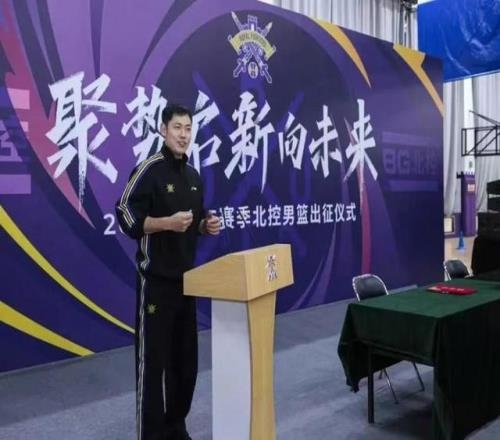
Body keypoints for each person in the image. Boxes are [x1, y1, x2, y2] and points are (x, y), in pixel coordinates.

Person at [116, 104, 221, 440]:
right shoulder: (149, 170)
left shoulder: (193, 177)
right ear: (163, 130)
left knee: (185, 365)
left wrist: (205, 226)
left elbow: (194, 223)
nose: (183, 135)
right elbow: (125, 215)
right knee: (153, 365)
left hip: (187, 284)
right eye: (177, 127)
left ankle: (176, 427)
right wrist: (166, 223)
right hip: (155, 284)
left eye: (188, 128)